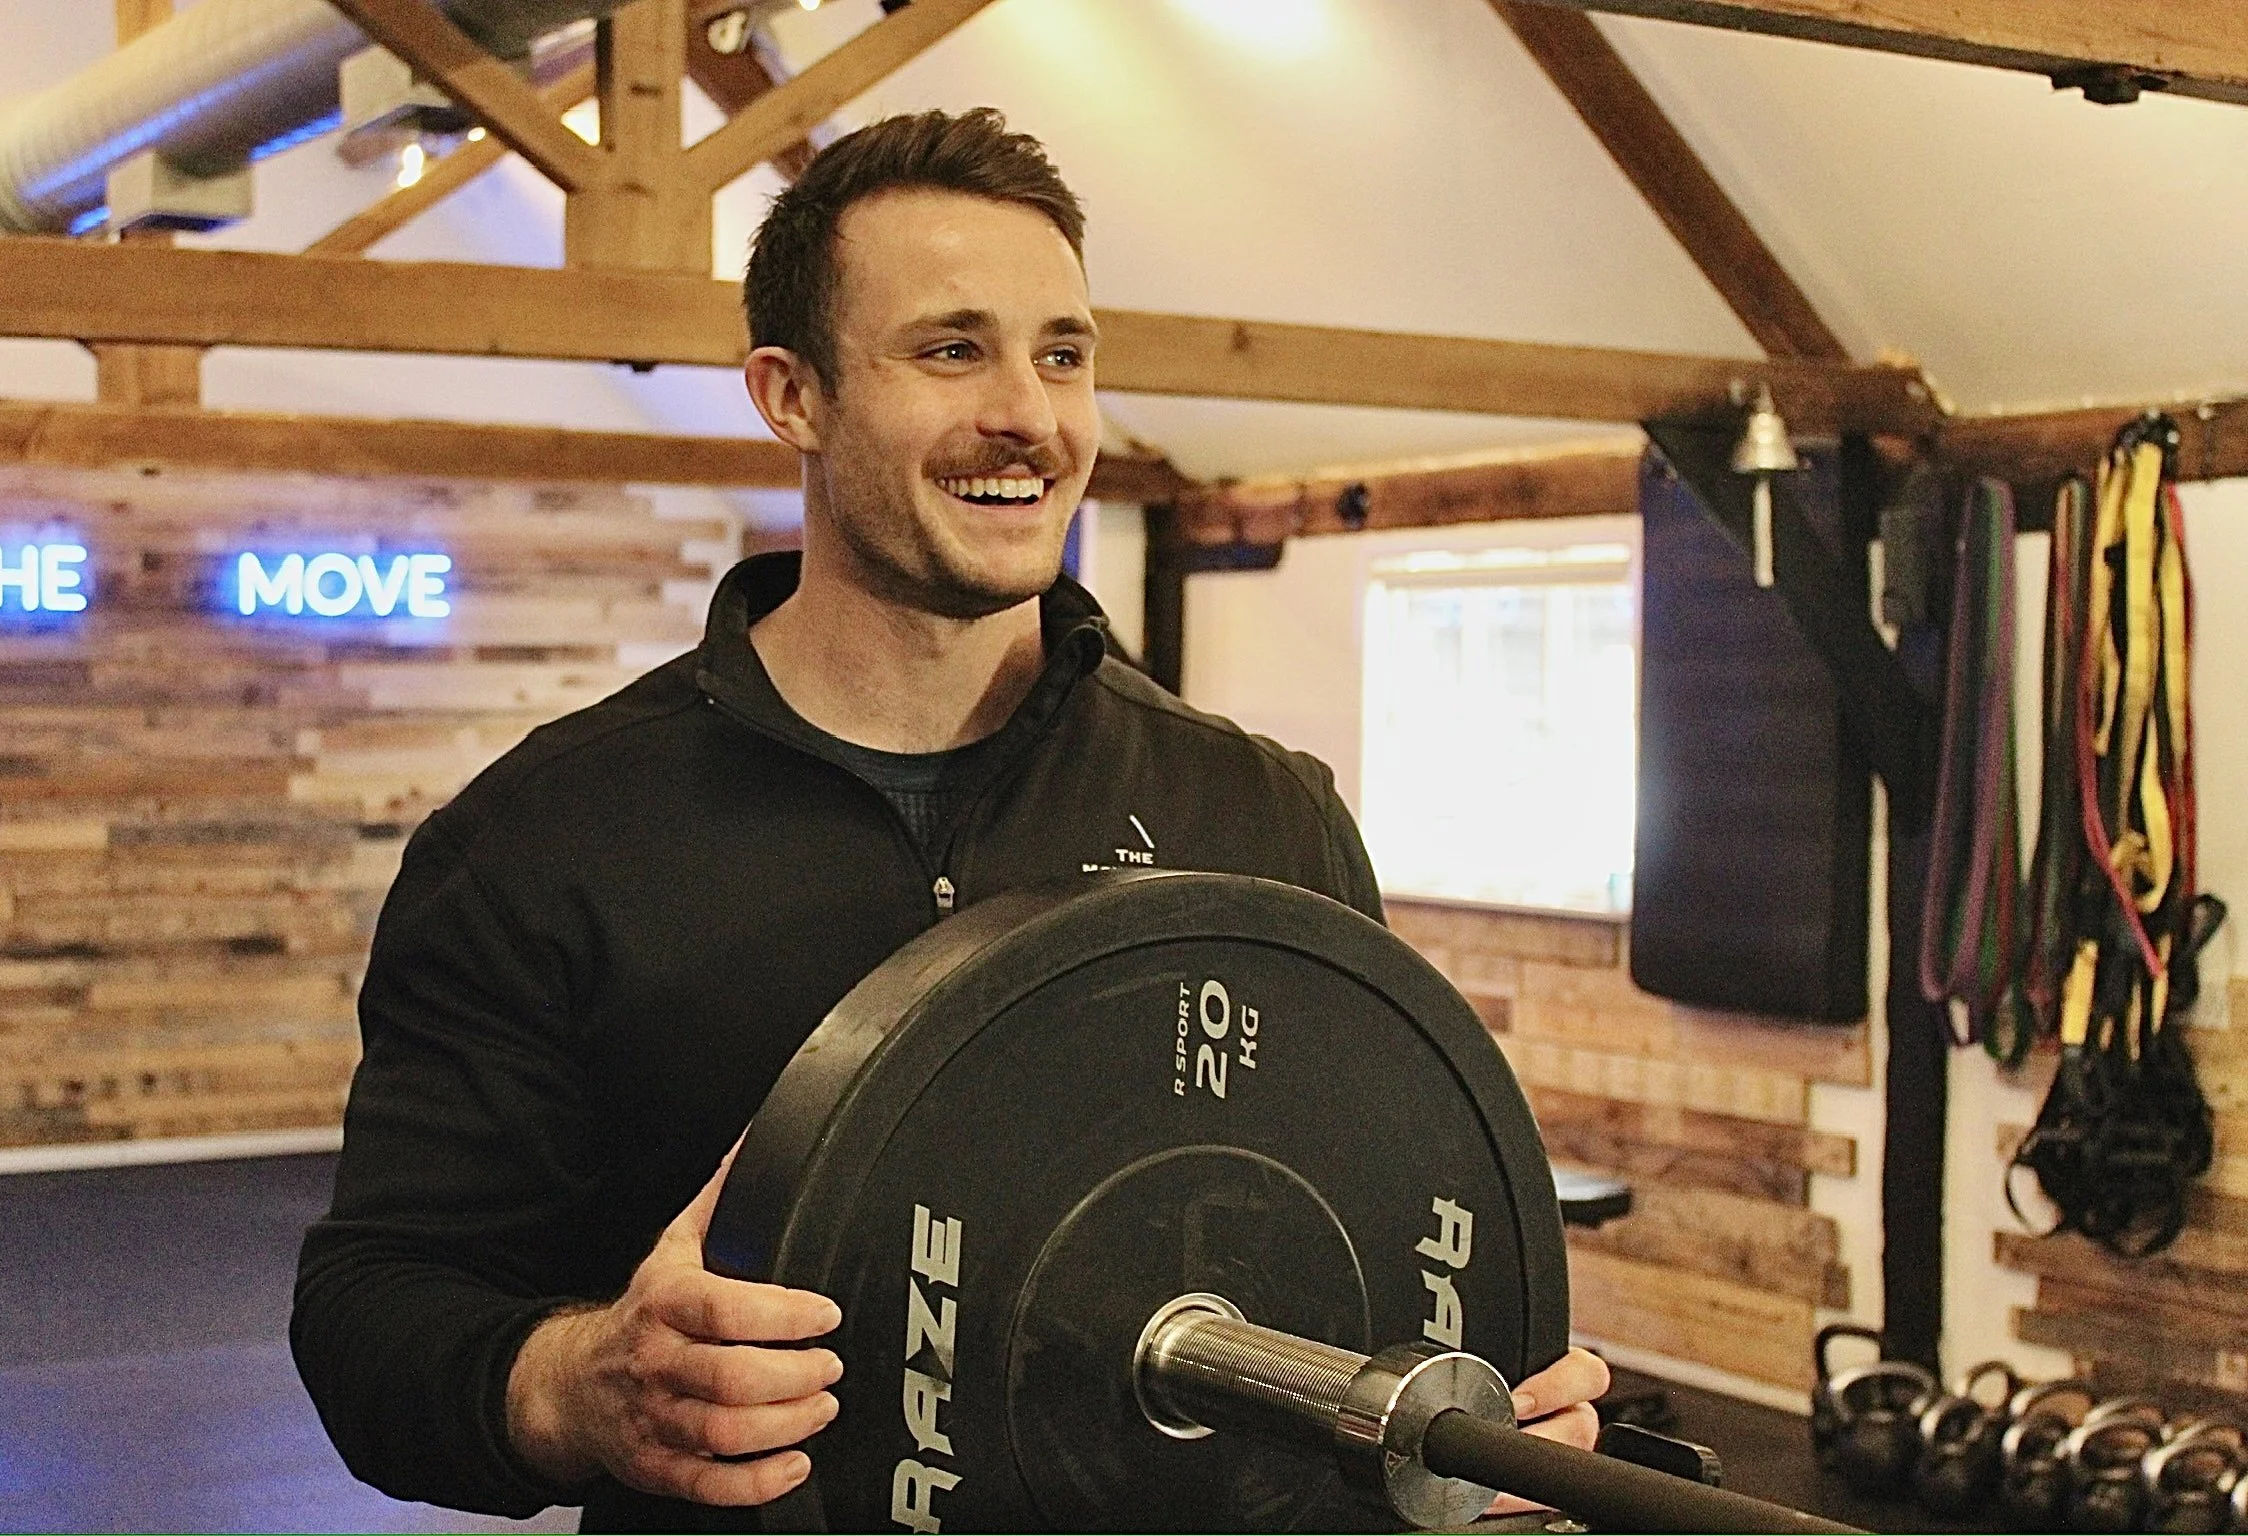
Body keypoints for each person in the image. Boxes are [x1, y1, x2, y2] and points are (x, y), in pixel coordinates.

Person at [292, 107, 1607, 1532]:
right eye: (951, 348)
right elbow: (377, 1320)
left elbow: (1382, 1245)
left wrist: (1482, 1434)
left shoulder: (1261, 814)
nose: (1030, 416)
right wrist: (582, 1385)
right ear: (791, 397)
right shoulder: (544, 843)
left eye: (1063, 353)